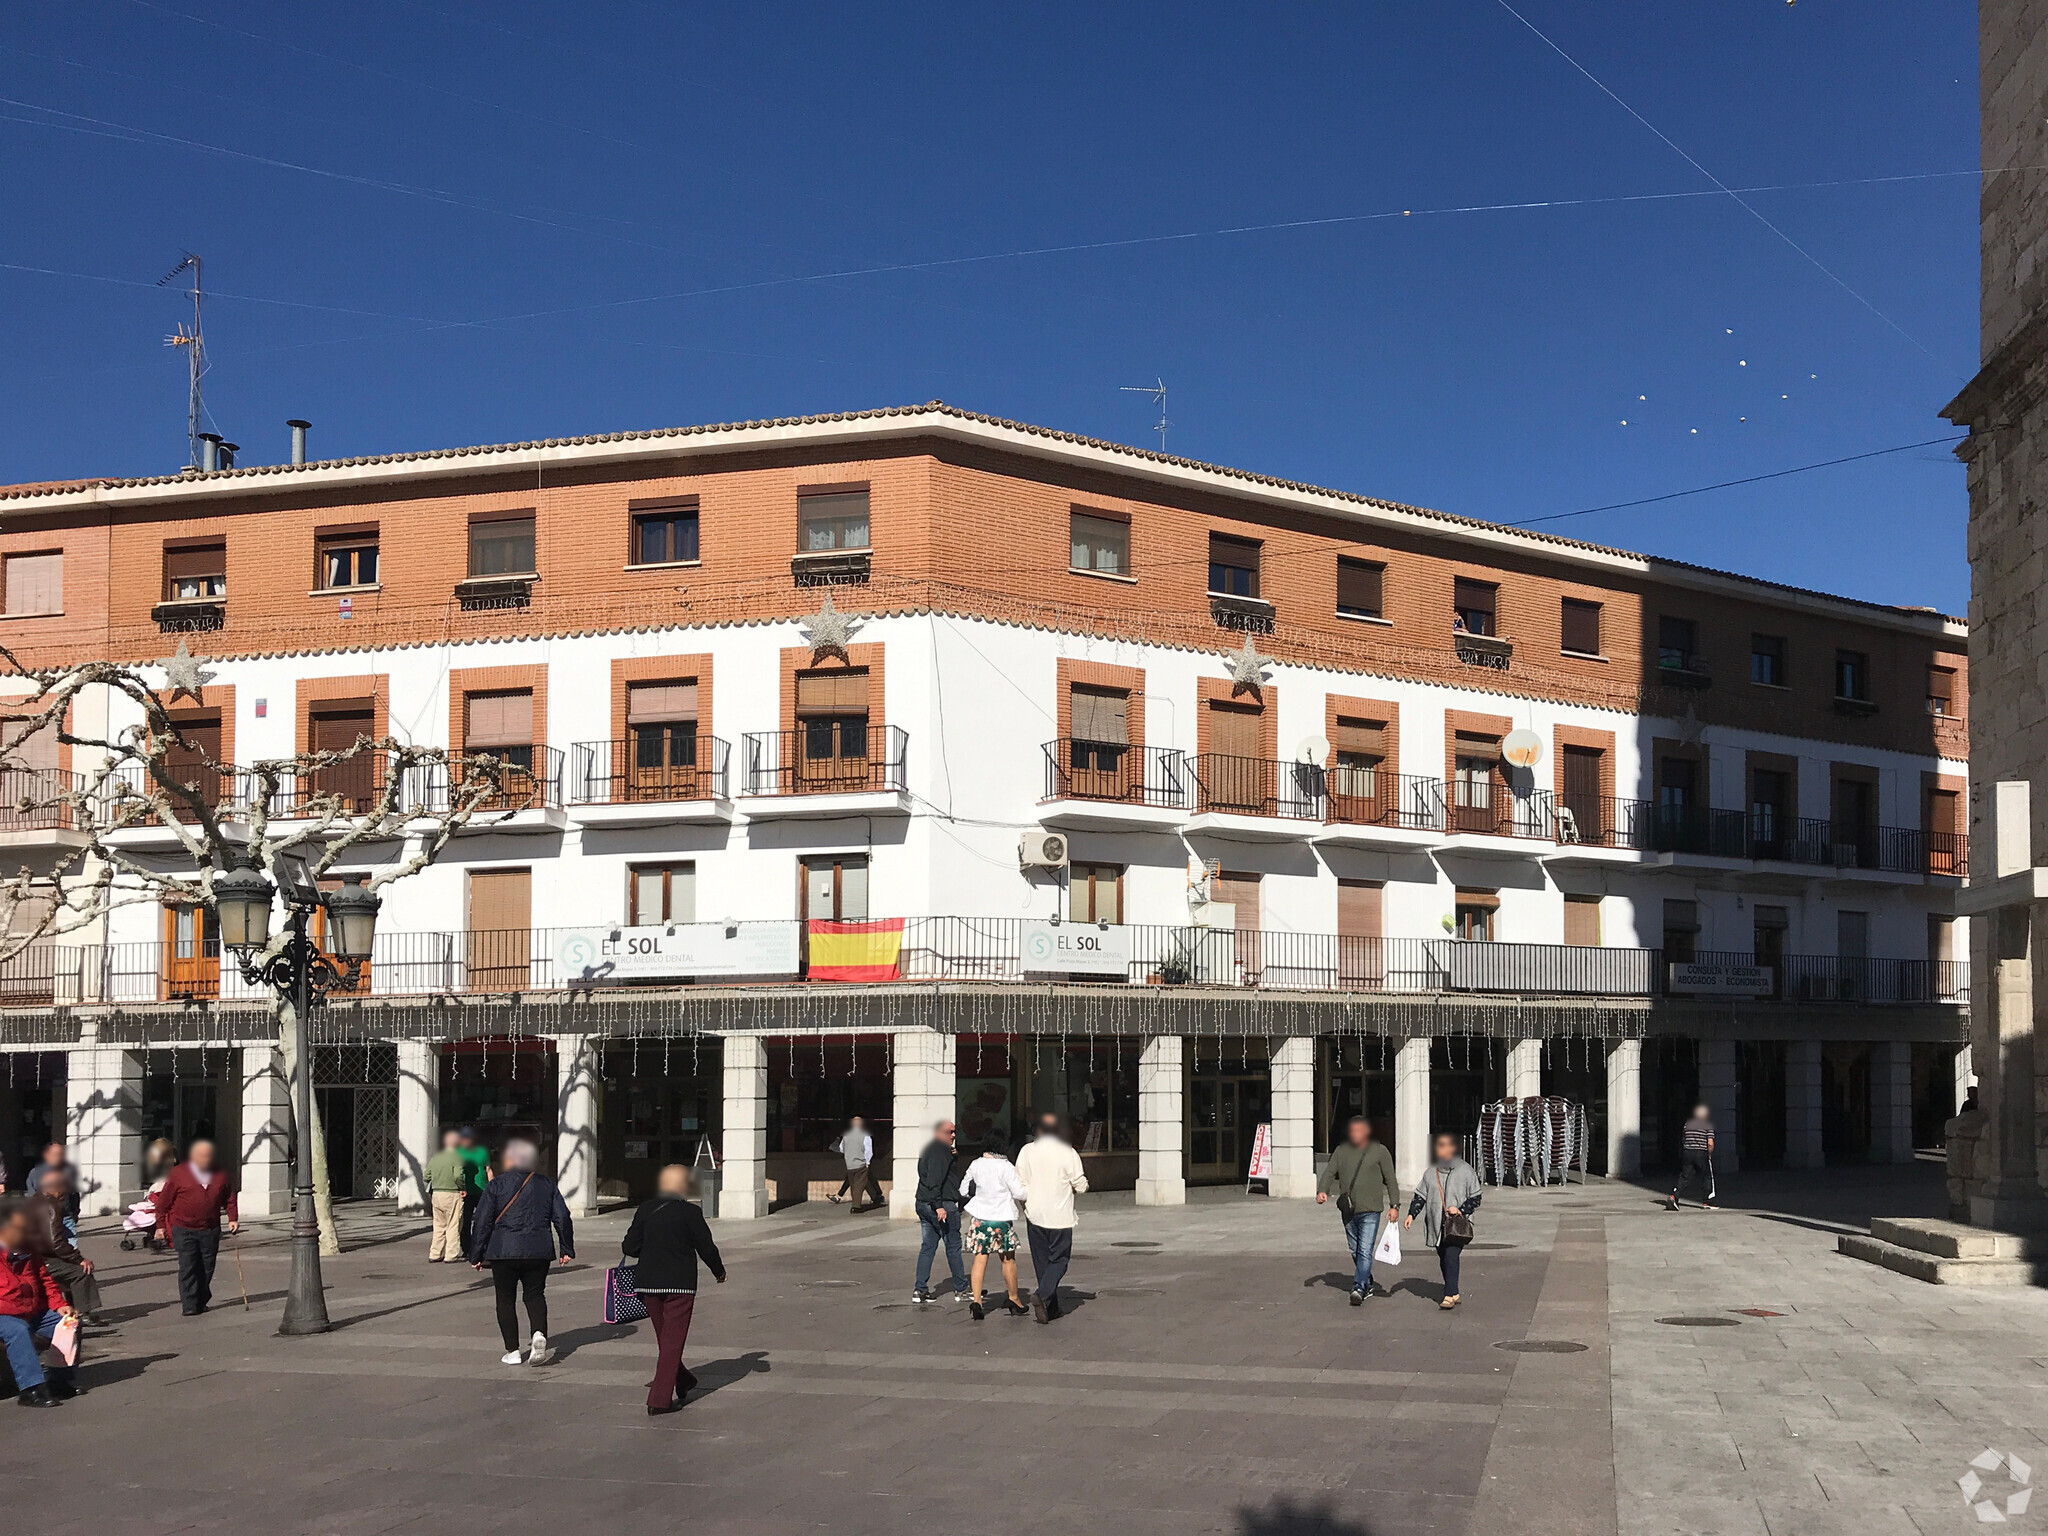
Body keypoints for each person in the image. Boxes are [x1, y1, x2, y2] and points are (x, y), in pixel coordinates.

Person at [621, 1163, 725, 1415]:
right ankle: (659, 1399)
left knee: (666, 1339)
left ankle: (685, 1380)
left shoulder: (645, 1209)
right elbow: (706, 1246)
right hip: (680, 1284)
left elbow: (629, 1247)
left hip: (647, 1284)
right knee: (671, 1341)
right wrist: (718, 1270)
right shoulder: (691, 1212)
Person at [469, 1137, 574, 1366]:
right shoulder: (546, 1184)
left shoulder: (496, 1185)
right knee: (535, 1295)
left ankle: (513, 1350)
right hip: (539, 1249)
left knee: (505, 1299)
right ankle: (538, 1333)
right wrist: (566, 1247)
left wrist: (476, 1254)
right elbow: (562, 1217)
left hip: (503, 1250)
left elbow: (482, 1221)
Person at [0, 1204, 80, 1407]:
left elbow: (45, 1280)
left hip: (31, 1308)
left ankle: (58, 1380)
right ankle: (30, 1389)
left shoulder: (28, 1249)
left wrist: (59, 1304)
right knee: (18, 1330)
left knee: (68, 1323)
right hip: (4, 1312)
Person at [1316, 1115, 1400, 1305]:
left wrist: (1394, 1206)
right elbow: (1329, 1172)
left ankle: (1359, 1286)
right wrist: (1322, 1190)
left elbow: (1391, 1180)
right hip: (1348, 1209)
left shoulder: (1379, 1151)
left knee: (1364, 1250)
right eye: (1352, 1131)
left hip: (1371, 1209)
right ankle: (1368, 1280)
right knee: (1354, 1250)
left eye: (1359, 1130)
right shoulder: (1341, 1151)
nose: (1355, 1134)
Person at [1015, 1110, 1088, 1324]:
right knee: (1059, 1260)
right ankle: (1043, 1294)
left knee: (1042, 1262)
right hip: (1060, 1216)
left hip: (1034, 1213)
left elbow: (1019, 1183)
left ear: (1037, 1130)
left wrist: (1026, 1203)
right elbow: (1080, 1185)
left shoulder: (1026, 1151)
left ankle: (1051, 1306)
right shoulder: (1068, 1152)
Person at [153, 1138, 239, 1316]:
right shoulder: (179, 1173)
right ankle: (190, 1304)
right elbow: (163, 1203)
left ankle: (201, 1298)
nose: (205, 1160)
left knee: (207, 1266)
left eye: (208, 1156)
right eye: (201, 1156)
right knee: (188, 1265)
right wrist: (160, 1226)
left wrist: (233, 1218)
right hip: (183, 1228)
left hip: (210, 1228)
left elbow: (229, 1199)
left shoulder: (220, 1174)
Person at [1404, 1132, 1483, 1310]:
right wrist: (1411, 1215)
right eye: (1439, 1146)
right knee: (1443, 1257)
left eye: (1445, 1145)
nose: (1441, 1149)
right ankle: (1453, 1291)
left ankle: (1449, 1295)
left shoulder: (1465, 1170)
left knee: (1451, 1256)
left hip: (1456, 1224)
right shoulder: (1431, 1172)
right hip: (1437, 1224)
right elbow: (1420, 1196)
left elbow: (1476, 1198)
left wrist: (1460, 1209)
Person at [957, 1137, 1030, 1321]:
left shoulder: (975, 1164)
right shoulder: (1005, 1166)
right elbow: (1019, 1192)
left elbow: (963, 1189)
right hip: (1001, 1220)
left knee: (979, 1260)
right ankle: (1014, 1298)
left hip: (980, 1219)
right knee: (1008, 1260)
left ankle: (977, 1301)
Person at [22, 1169, 105, 1322]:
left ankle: (73, 1307)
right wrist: (78, 1258)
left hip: (34, 1256)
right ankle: (83, 1313)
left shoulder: (35, 1200)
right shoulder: (50, 1206)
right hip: (41, 1259)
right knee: (81, 1270)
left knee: (70, 1267)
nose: (65, 1192)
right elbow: (56, 1242)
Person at [911, 1119, 968, 1305]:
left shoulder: (932, 1149)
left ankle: (920, 1290)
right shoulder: (940, 1152)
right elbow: (935, 1179)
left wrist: (954, 1157)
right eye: (949, 1132)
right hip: (940, 1205)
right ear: (938, 1132)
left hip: (924, 1203)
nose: (953, 1135)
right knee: (953, 1245)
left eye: (954, 1131)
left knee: (928, 1246)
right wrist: (939, 1205)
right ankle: (961, 1288)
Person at [424, 1129, 470, 1263]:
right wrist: (462, 1187)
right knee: (453, 1224)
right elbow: (457, 1175)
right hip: (452, 1193)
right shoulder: (457, 1157)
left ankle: (435, 1253)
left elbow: (426, 1176)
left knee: (438, 1225)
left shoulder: (436, 1157)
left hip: (437, 1193)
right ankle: (451, 1254)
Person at [1669, 1104, 1718, 1211]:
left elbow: (1683, 1139)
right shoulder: (1707, 1124)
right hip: (1701, 1153)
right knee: (1707, 1177)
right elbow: (1710, 1142)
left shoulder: (1688, 1124)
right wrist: (1709, 1154)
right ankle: (1708, 1201)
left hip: (1687, 1152)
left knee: (1685, 1176)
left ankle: (1674, 1195)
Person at [831, 1116, 882, 1214]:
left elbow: (842, 1149)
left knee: (855, 1184)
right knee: (859, 1185)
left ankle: (876, 1197)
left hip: (849, 1165)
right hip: (860, 1163)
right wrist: (867, 1163)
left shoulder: (846, 1136)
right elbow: (868, 1151)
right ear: (861, 1124)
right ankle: (856, 1206)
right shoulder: (865, 1136)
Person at [25, 1142, 80, 1224]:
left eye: (61, 1154)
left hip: (66, 1216)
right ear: (47, 1155)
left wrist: (74, 1213)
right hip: (44, 1217)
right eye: (55, 1154)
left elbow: (74, 1194)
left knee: (70, 1237)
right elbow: (32, 1194)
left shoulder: (69, 1171)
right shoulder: (36, 1172)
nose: (59, 1157)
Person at [456, 1127, 490, 1249]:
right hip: (465, 1192)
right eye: (463, 1139)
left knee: (483, 1221)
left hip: (482, 1190)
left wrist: (493, 1187)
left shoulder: (482, 1151)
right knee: (465, 1221)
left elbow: (488, 1170)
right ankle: (466, 1247)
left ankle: (480, 1246)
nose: (466, 1141)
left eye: (468, 1138)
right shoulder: (457, 1152)